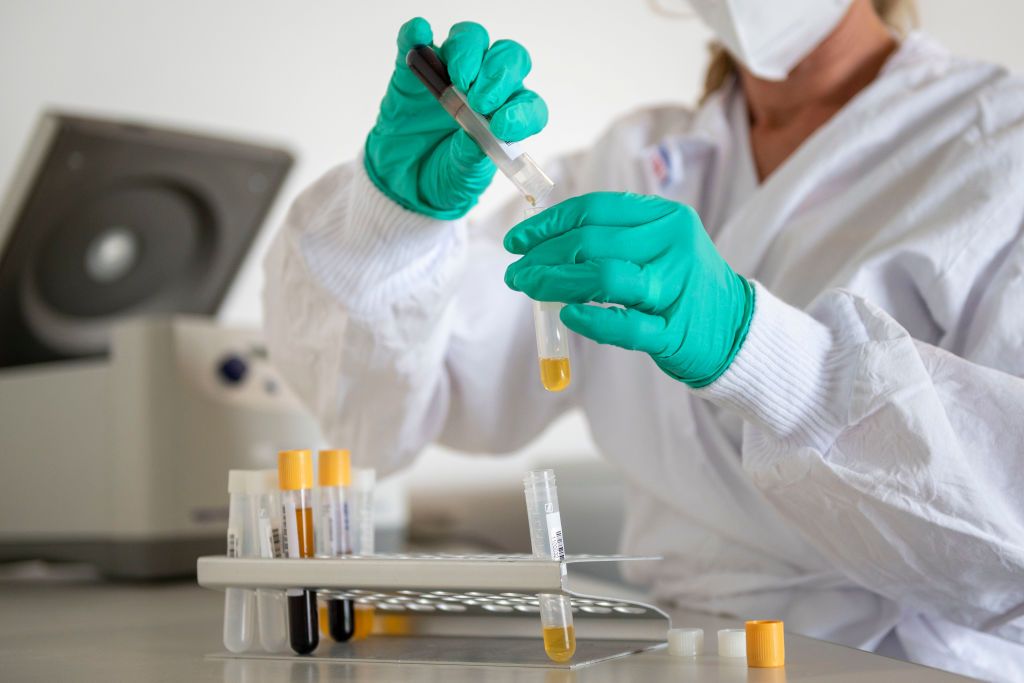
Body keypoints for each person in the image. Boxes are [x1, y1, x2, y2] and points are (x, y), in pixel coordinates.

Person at [263, 1, 1024, 678]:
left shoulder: (1001, 145)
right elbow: (388, 408)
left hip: (908, 661)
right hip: (680, 653)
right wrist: (391, 223)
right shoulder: (635, 161)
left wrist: (758, 349)